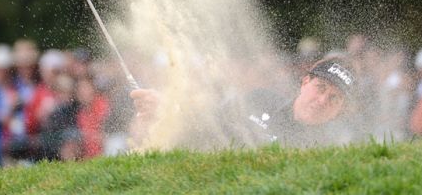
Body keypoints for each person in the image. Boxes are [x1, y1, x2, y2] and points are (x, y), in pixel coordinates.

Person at [129, 59, 356, 148]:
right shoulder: (259, 99)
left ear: (339, 111)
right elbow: (208, 123)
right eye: (321, 88)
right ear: (305, 82)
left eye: (334, 98)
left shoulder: (327, 148)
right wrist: (168, 112)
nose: (322, 100)